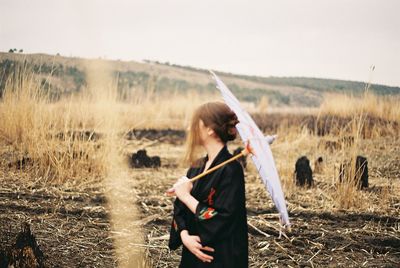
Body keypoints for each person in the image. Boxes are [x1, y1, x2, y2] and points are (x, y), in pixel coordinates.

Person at [168, 102, 248, 268]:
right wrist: (184, 236)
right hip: (192, 256)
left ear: (210, 129)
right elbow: (179, 208)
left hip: (218, 258)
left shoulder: (231, 171)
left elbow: (221, 219)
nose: (191, 129)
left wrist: (186, 196)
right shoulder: (197, 166)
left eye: (196, 124)